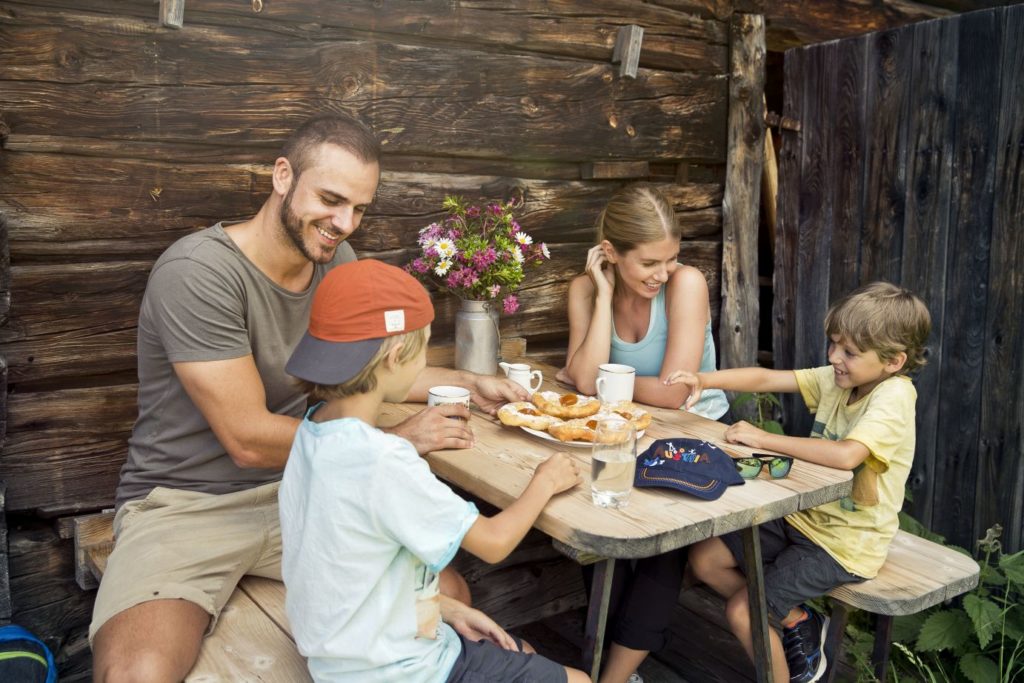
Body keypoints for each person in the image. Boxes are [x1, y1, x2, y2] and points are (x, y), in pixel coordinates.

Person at [90, 114, 528, 682]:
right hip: (188, 506)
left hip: (306, 492)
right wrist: (396, 440)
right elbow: (246, 438)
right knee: (136, 674)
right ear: (282, 176)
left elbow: (367, 370)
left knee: (448, 591)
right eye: (330, 198)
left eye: (360, 209)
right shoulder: (198, 272)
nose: (344, 223)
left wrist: (473, 383)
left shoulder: (334, 262)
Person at [280, 258, 589, 682]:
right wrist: (545, 481)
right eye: (423, 346)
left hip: (342, 659)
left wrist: (444, 610)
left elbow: (352, 570)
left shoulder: (313, 431)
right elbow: (494, 543)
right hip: (401, 670)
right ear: (393, 357)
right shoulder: (384, 460)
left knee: (523, 650)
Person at [666, 281, 931, 683]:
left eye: (848, 352)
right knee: (705, 559)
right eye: (834, 345)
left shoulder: (893, 396)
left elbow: (847, 455)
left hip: (843, 542)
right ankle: (798, 619)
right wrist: (706, 379)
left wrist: (762, 438)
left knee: (743, 611)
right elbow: (767, 379)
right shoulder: (844, 378)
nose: (833, 357)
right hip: (803, 517)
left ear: (894, 361)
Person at [558, 183, 729, 683]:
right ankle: (617, 663)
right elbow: (585, 379)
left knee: (664, 534)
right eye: (649, 263)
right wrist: (606, 293)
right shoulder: (586, 289)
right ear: (610, 254)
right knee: (595, 512)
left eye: (670, 259)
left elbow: (678, 393)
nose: (663, 273)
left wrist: (610, 384)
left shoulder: (686, 284)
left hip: (696, 434)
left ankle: (612, 676)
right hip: (627, 433)